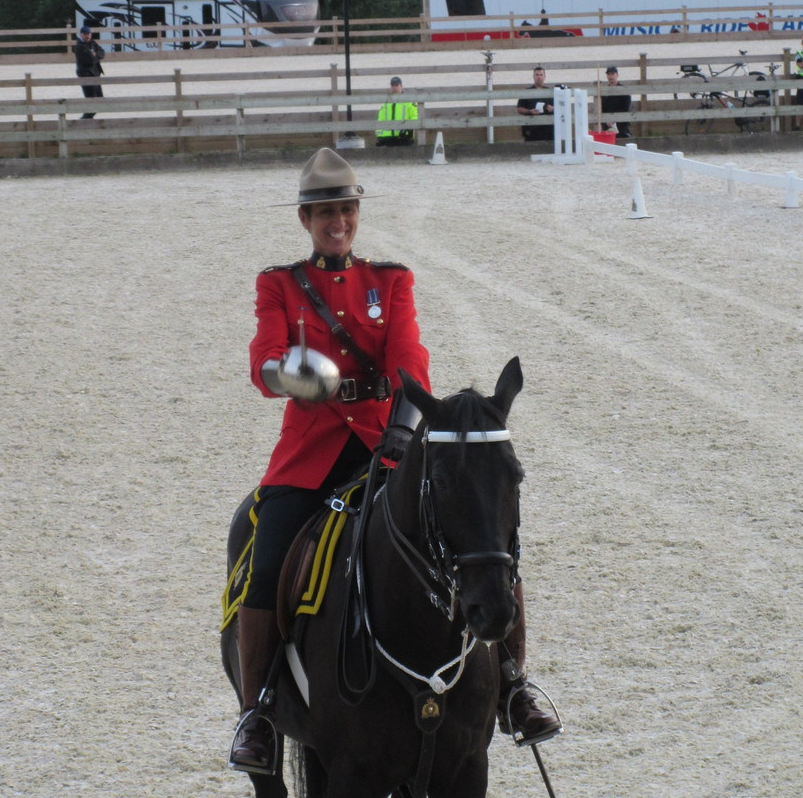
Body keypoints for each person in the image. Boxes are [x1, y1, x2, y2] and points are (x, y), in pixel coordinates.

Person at [229, 147, 560, 772]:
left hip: (388, 447)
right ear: (306, 219)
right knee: (267, 560)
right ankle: (258, 711)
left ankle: (513, 683)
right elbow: (263, 358)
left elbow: (409, 361)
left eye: (346, 211)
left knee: (485, 539)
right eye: (326, 213)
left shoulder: (391, 281)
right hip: (309, 455)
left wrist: (402, 436)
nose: (338, 223)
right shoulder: (278, 284)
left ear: (357, 214)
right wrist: (286, 373)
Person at [375, 76, 419, 146]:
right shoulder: (386, 103)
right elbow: (380, 120)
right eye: (392, 85)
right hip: (388, 139)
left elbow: (415, 117)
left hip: (404, 138)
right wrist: (379, 136)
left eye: (396, 85)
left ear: (401, 86)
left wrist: (407, 128)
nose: (394, 87)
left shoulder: (409, 101)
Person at [73, 25, 104, 119]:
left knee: (99, 100)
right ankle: (84, 121)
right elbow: (89, 60)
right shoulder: (79, 47)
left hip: (95, 74)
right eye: (85, 34)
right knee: (91, 101)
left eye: (88, 34)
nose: (87, 36)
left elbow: (102, 52)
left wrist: (95, 55)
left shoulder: (92, 42)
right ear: (81, 35)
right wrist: (95, 56)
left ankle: (87, 120)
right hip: (86, 75)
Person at [517, 66, 556, 142]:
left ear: (544, 77)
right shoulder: (526, 92)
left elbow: (560, 107)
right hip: (531, 128)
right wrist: (529, 111)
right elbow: (519, 109)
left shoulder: (551, 92)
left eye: (541, 75)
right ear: (533, 77)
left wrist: (553, 109)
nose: (539, 77)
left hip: (548, 129)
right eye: (537, 75)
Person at [600, 66, 633, 139]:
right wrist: (606, 120)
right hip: (607, 123)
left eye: (612, 74)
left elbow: (625, 108)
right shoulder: (604, 91)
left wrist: (614, 119)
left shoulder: (623, 90)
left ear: (617, 75)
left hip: (621, 123)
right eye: (608, 74)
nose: (610, 76)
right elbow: (602, 108)